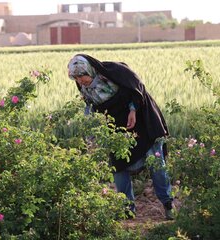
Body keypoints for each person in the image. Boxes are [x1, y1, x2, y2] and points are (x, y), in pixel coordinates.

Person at [67, 53, 174, 220]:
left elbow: (136, 87)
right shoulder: (83, 86)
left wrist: (133, 110)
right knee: (118, 167)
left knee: (156, 161)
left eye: (82, 76)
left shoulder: (114, 71)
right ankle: (127, 209)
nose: (80, 81)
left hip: (141, 121)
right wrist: (91, 133)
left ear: (90, 69)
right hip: (117, 129)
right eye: (76, 78)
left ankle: (168, 204)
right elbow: (91, 108)